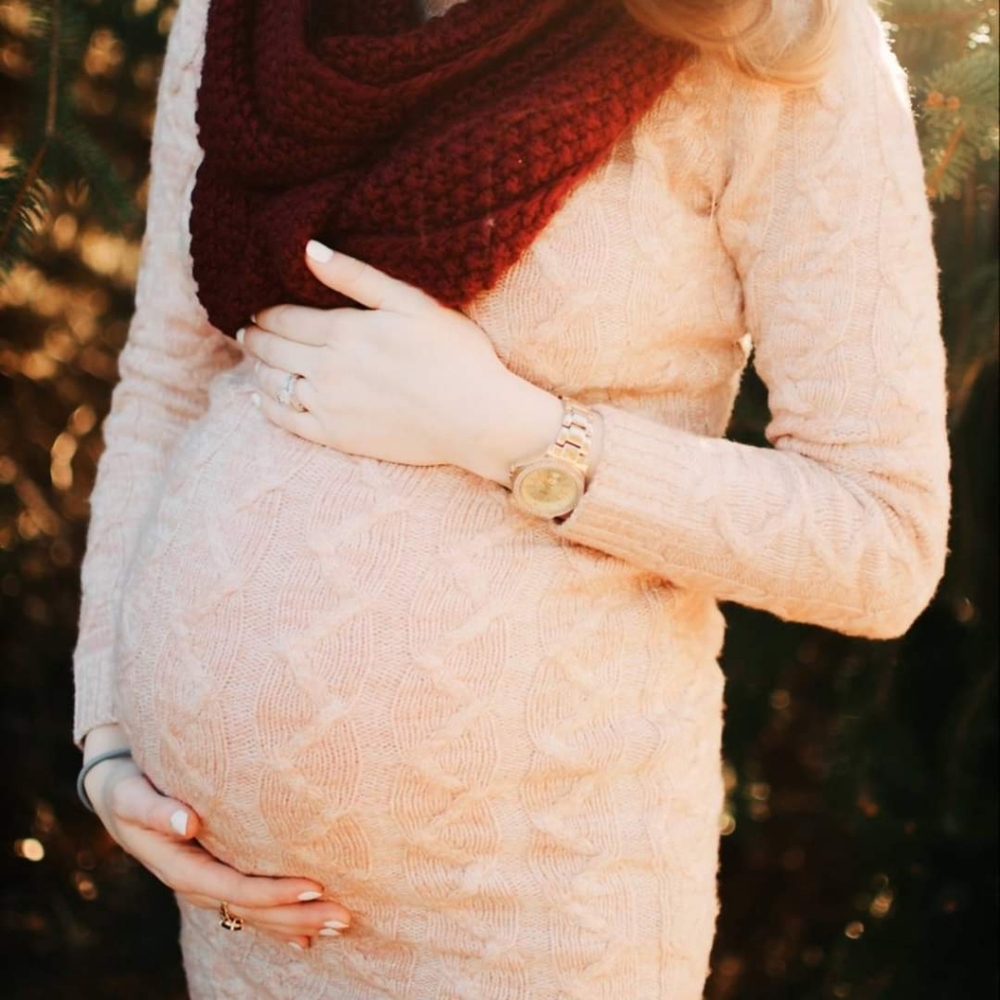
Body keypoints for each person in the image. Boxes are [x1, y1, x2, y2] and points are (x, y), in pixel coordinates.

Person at [72, 0, 951, 997]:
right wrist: (108, 737)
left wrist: (511, 432)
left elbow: (880, 539)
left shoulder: (766, 36)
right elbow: (170, 382)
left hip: (531, 920)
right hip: (241, 920)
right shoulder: (244, 24)